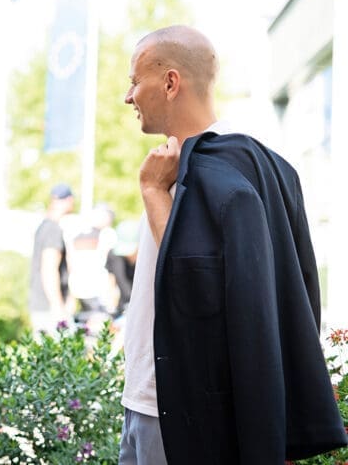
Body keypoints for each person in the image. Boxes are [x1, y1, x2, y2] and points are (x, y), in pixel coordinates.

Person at [119, 24, 347, 464]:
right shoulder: (246, 170)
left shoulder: (221, 173)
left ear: (170, 83)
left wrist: (151, 193)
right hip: (144, 401)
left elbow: (194, 288)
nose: (128, 97)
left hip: (177, 413)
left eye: (134, 81)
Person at [28, 183, 75, 334]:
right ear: (69, 200)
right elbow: (49, 268)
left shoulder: (44, 226)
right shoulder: (52, 229)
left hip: (41, 304)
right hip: (49, 307)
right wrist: (58, 307)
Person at [104, 220, 139, 319]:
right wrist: (110, 304)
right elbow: (111, 281)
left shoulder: (147, 258)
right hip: (123, 305)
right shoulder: (114, 256)